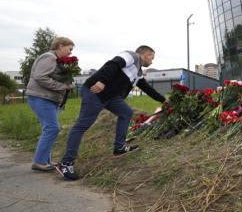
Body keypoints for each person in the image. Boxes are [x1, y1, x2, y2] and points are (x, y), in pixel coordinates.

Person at [56, 45, 166, 180]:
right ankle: (66, 163)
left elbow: (147, 89)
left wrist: (164, 101)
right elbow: (112, 64)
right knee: (82, 125)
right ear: (145, 54)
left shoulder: (137, 72)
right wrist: (102, 81)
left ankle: (119, 147)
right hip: (96, 92)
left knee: (126, 113)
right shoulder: (131, 56)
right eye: (152, 58)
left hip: (111, 97)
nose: (152, 61)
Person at [26, 37, 75, 172]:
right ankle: (39, 162)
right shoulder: (49, 57)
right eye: (69, 49)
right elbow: (40, 77)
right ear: (60, 46)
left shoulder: (56, 60)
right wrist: (62, 86)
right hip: (41, 97)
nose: (71, 53)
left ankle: (45, 160)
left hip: (47, 98)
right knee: (52, 128)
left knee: (50, 128)